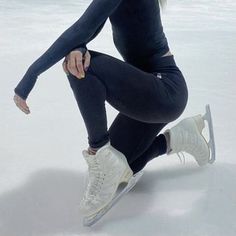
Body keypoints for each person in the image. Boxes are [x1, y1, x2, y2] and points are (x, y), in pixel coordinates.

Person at [13, 0, 211, 218]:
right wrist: (80, 47)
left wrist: (31, 75)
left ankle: (99, 152)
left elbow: (82, 28)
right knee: (128, 165)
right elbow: (88, 30)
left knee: (84, 68)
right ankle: (181, 137)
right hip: (149, 96)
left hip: (165, 91)